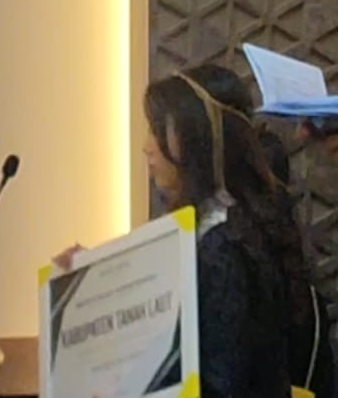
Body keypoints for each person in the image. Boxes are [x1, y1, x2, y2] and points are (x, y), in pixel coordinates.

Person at [60, 66, 333, 398]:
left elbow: (219, 384)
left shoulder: (224, 245)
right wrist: (91, 279)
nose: (147, 146)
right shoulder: (211, 230)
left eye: (157, 129)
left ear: (194, 134)